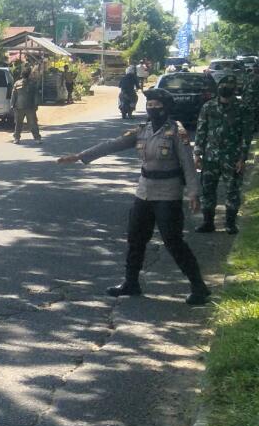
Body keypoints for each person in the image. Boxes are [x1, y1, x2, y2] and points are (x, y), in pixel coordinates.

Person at [57, 88, 211, 305]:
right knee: (135, 237)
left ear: (166, 108)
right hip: (144, 191)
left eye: (158, 106)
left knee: (173, 240)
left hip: (168, 193)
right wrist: (81, 156)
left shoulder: (177, 131)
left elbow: (187, 163)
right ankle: (131, 282)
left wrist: (194, 193)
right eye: (150, 105)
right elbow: (114, 144)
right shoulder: (142, 130)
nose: (153, 109)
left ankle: (198, 286)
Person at [194, 75, 251, 234]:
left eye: (229, 85)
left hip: (232, 157)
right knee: (207, 190)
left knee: (232, 191)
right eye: (223, 84)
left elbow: (246, 135)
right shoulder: (208, 106)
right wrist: (197, 153)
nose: (225, 87)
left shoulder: (242, 108)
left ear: (234, 89)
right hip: (210, 156)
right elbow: (201, 130)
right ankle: (208, 222)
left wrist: (242, 158)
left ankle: (230, 223)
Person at [10, 67, 41, 144]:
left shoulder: (33, 83)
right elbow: (14, 95)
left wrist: (36, 104)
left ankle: (37, 138)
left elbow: (36, 95)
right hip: (19, 107)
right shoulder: (17, 83)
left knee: (32, 123)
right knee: (18, 123)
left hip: (29, 107)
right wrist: (12, 105)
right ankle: (17, 138)